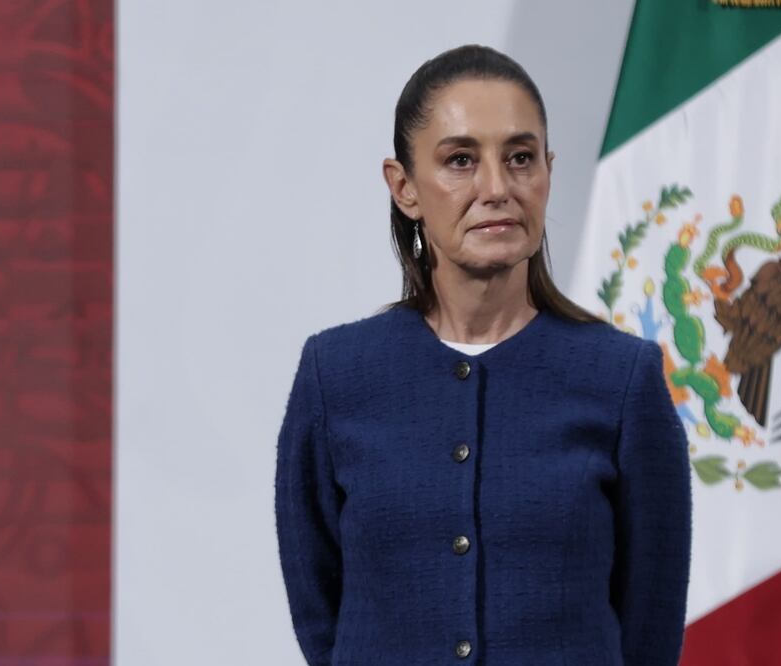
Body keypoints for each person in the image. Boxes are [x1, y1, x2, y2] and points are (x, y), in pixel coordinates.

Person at [274, 43, 692, 665]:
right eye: (461, 160)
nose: (497, 188)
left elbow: (650, 625)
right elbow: (319, 610)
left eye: (521, 158)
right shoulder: (336, 376)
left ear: (548, 172)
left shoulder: (621, 378)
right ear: (405, 187)